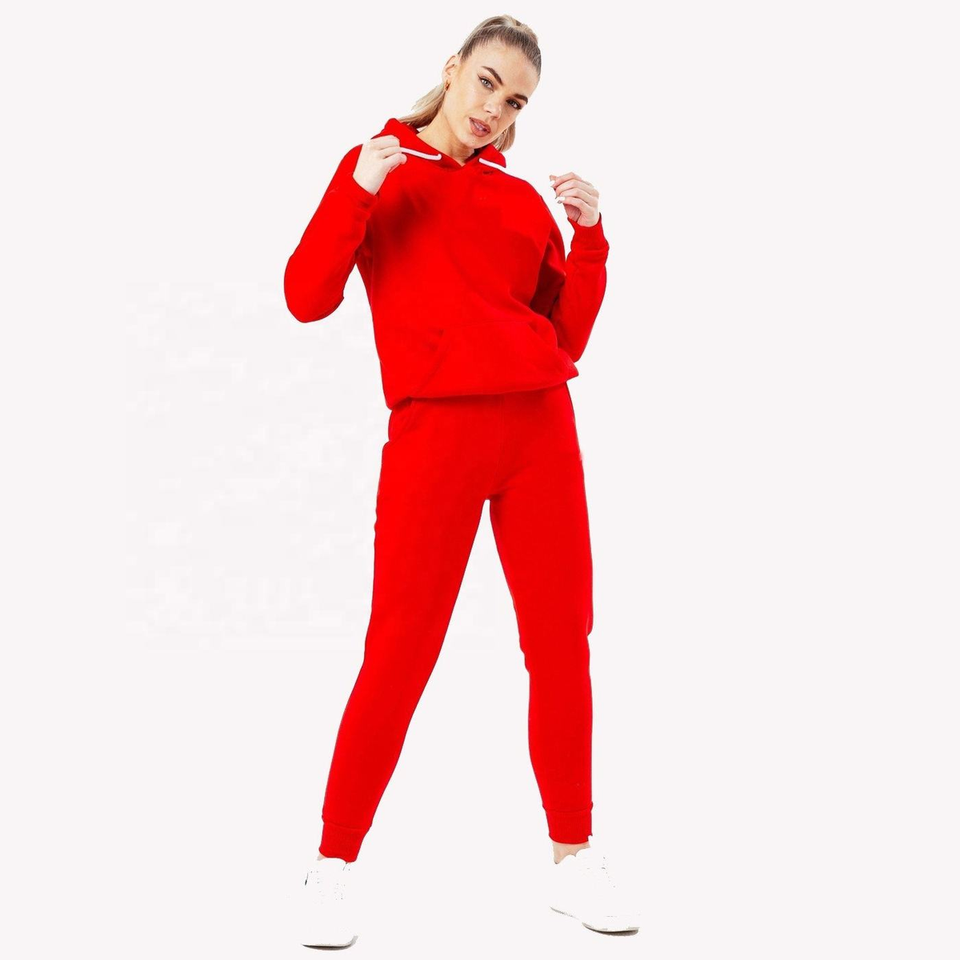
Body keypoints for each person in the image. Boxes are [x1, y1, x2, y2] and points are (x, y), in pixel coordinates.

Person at [284, 15, 639, 946]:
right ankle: (331, 866)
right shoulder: (380, 168)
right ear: (451, 69)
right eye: (486, 83)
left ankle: (575, 859)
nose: (494, 110)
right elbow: (306, 297)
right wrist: (357, 191)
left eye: (514, 100)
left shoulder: (519, 201)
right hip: (434, 435)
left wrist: (590, 238)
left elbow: (565, 336)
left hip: (539, 431)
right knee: (400, 651)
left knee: (562, 645)